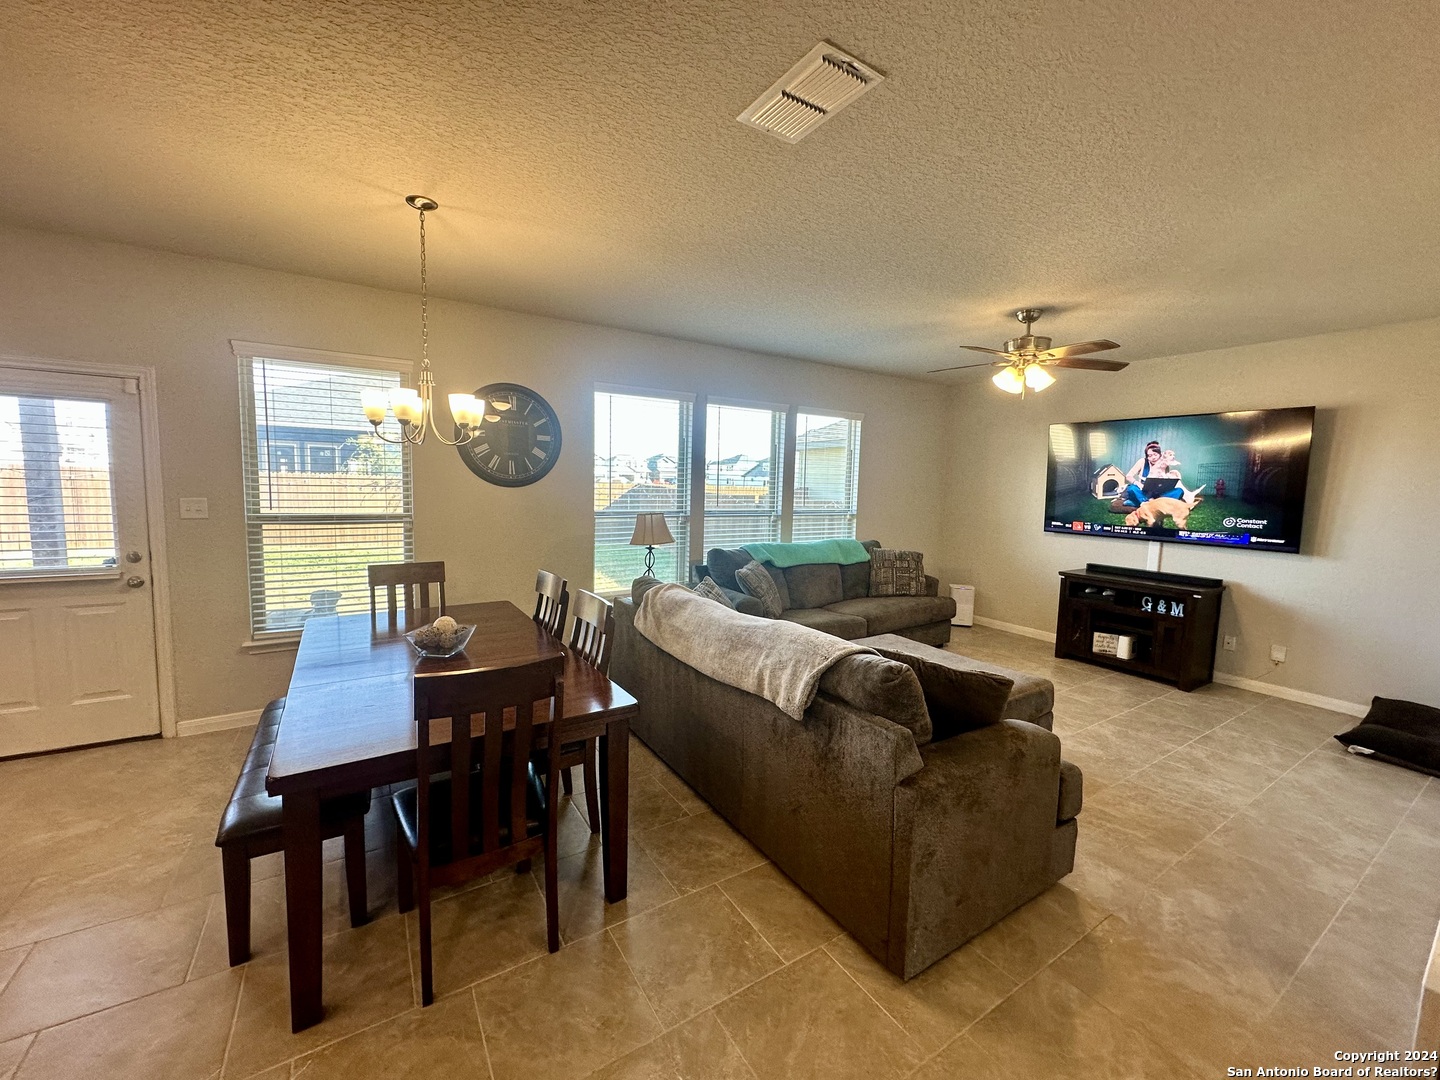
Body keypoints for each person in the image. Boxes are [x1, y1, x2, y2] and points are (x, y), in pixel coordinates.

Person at [1111, 441, 1185, 511]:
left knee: (1179, 491)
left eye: (1155, 455)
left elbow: (1164, 482)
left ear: (1160, 454)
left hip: (1158, 494)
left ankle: (1140, 503)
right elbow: (1128, 476)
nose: (1153, 457)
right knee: (1131, 488)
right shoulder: (1142, 462)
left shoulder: (1164, 464)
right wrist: (1137, 483)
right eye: (1150, 456)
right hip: (1144, 492)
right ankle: (1154, 504)